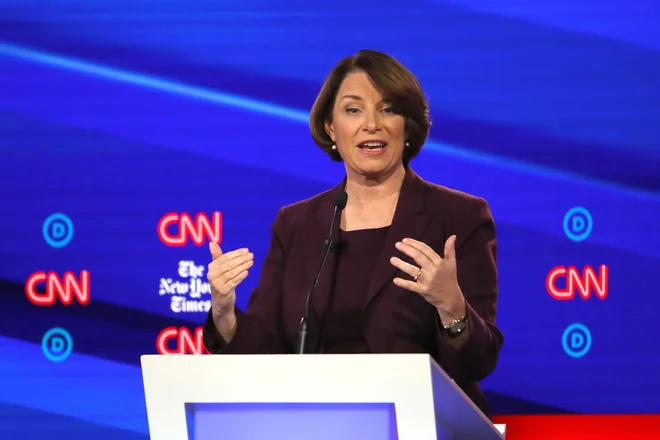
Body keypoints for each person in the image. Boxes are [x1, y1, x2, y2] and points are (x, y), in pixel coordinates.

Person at [202, 49, 503, 419]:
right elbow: (267, 355)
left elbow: (478, 363)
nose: (371, 124)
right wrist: (225, 312)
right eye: (353, 110)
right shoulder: (297, 223)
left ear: (407, 126)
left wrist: (451, 307)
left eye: (388, 108)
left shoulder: (458, 216)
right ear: (331, 127)